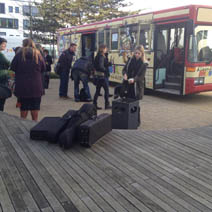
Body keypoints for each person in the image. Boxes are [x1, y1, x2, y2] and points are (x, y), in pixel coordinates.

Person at [10, 38, 46, 121]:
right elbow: (44, 68)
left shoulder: (19, 55)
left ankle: (23, 126)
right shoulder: (38, 55)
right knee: (35, 108)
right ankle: (34, 126)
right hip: (36, 86)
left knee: (23, 108)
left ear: (23, 45)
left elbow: (13, 67)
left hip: (22, 86)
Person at [122, 45, 148, 125]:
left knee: (135, 104)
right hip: (128, 85)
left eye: (138, 53)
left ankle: (137, 121)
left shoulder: (144, 64)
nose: (136, 54)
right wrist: (125, 74)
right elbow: (124, 69)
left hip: (136, 87)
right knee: (127, 102)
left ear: (142, 54)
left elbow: (141, 77)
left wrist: (134, 79)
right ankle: (128, 119)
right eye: (135, 53)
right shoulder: (130, 60)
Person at [93, 44, 112, 110]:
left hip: (98, 76)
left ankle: (94, 104)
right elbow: (101, 66)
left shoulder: (98, 55)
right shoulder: (101, 56)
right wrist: (105, 70)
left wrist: (108, 64)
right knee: (106, 91)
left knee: (97, 91)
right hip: (103, 76)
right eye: (106, 48)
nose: (106, 50)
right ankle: (107, 105)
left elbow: (101, 64)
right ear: (103, 49)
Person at [0, 37, 10, 111]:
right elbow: (9, 64)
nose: (5, 46)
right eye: (3, 44)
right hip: (1, 81)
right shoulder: (1, 55)